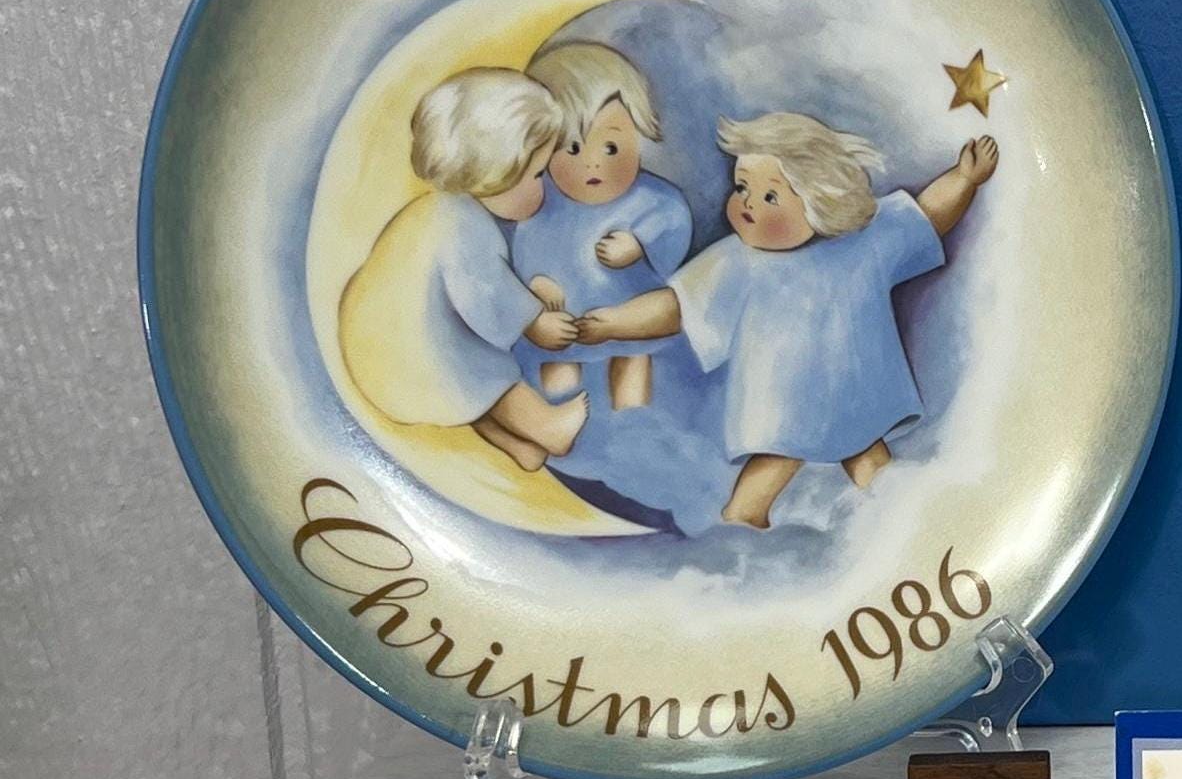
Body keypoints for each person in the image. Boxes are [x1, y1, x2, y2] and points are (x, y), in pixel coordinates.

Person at [579, 113, 998, 527]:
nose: (747, 203)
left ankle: (896, 524)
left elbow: (928, 216)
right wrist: (613, 323)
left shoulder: (863, 243)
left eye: (770, 197)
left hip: (853, 392)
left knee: (870, 461)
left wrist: (965, 178)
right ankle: (741, 526)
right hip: (783, 403)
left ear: (819, 203)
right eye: (742, 187)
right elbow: (676, 306)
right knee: (773, 464)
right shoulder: (737, 262)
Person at [338, 68, 585, 470]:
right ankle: (546, 427)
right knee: (477, 367)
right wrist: (534, 322)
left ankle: (517, 446)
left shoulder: (433, 209)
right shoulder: (463, 223)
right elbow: (485, 298)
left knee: (450, 346)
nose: (544, 188)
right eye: (537, 174)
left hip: (370, 356)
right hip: (413, 370)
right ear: (498, 170)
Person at [509, 41, 692, 411]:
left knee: (632, 361)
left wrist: (641, 244)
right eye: (573, 148)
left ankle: (634, 418)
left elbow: (672, 226)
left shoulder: (652, 198)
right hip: (565, 318)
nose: (593, 164)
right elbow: (525, 243)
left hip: (626, 311)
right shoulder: (540, 199)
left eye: (610, 148)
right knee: (558, 368)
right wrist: (536, 283)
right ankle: (562, 415)